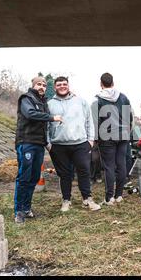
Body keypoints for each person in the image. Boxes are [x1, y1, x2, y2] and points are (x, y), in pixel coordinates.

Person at [47, 76, 101, 212]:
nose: (62, 86)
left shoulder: (81, 101)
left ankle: (87, 199)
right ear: (54, 87)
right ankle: (66, 200)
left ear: (68, 85)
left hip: (80, 143)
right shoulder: (49, 104)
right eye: (59, 85)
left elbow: (89, 121)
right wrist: (48, 144)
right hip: (58, 145)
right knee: (65, 174)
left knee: (84, 171)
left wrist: (90, 140)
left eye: (64, 84)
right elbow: (45, 125)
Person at [14, 76, 62, 223]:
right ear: (33, 85)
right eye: (38, 84)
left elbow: (43, 126)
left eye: (43, 85)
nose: (41, 87)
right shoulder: (26, 98)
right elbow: (30, 114)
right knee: (24, 177)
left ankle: (27, 208)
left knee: (34, 177)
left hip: (39, 144)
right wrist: (52, 117)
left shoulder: (43, 102)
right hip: (26, 142)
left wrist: (47, 142)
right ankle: (19, 212)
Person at [91, 72, 132, 205]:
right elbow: (129, 118)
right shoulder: (124, 97)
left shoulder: (98, 100)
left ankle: (109, 198)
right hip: (123, 135)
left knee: (109, 167)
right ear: (113, 83)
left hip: (107, 136)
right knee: (121, 164)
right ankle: (119, 195)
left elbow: (95, 121)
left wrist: (95, 139)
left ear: (101, 84)